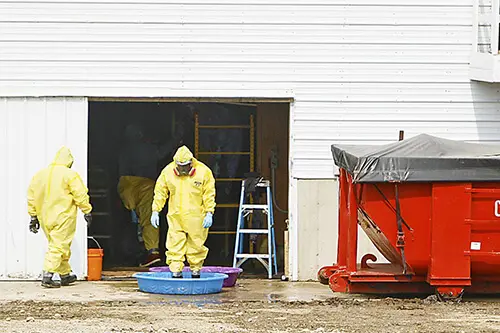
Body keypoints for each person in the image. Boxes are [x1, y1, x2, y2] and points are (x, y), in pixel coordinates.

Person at [27, 147, 92, 288]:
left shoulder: (39, 175)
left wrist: (33, 216)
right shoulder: (69, 175)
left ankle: (65, 274)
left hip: (44, 217)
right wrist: (87, 210)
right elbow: (80, 194)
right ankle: (48, 275)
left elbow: (31, 197)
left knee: (58, 244)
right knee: (58, 246)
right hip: (63, 216)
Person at [150, 146, 216, 278]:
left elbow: (209, 193)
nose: (183, 169)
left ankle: (196, 269)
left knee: (196, 244)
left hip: (196, 217)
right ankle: (175, 271)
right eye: (180, 166)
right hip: (176, 217)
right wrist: (155, 210)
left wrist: (209, 212)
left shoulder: (203, 172)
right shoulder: (168, 172)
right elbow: (160, 191)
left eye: (185, 166)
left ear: (191, 163)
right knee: (174, 244)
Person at [118, 124, 178, 267]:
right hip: (145, 185)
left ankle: (131, 252)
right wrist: (176, 138)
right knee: (148, 218)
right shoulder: (147, 148)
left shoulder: (124, 150)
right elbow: (162, 152)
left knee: (131, 220)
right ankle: (152, 252)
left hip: (125, 186)